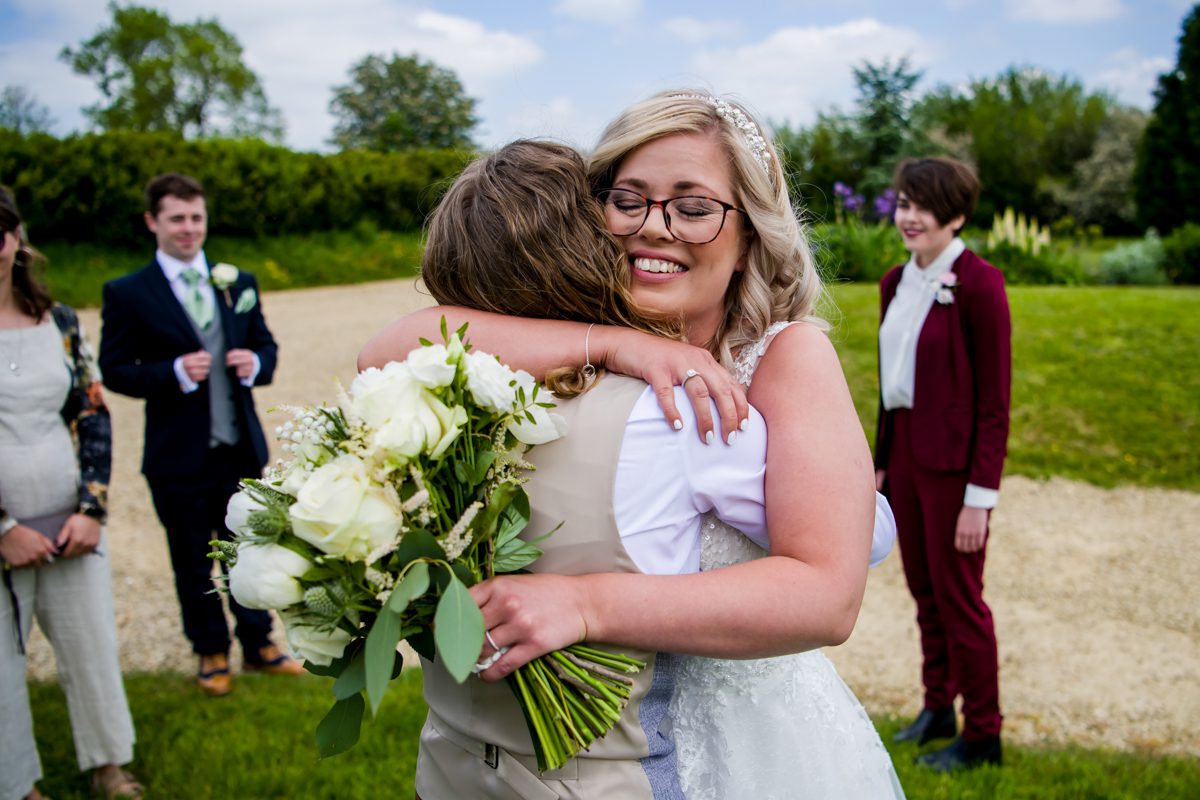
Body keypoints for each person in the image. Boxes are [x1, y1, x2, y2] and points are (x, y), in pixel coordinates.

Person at [362, 91, 903, 798]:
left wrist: (587, 604)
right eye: (629, 199)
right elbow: (389, 348)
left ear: (750, 233)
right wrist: (613, 343)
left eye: (694, 206)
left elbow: (829, 598)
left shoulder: (786, 357)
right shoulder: (579, 343)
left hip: (754, 735)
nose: (655, 228)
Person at [98, 173, 302, 697]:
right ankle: (210, 649)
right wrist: (171, 372)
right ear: (153, 222)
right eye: (177, 219)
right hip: (176, 455)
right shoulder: (127, 293)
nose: (189, 229)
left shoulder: (238, 282)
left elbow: (269, 348)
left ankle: (260, 644)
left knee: (251, 551)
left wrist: (254, 361)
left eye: (196, 218)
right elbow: (115, 368)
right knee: (192, 559)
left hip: (239, 448)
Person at [0, 188, 142, 800]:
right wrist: (3, 527)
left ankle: (108, 764)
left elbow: (92, 412)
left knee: (90, 646)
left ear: (16, 241)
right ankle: (16, 783)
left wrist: (91, 508)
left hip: (67, 519)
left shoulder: (57, 321)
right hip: (5, 528)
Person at [875, 156, 1011, 771]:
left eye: (923, 205)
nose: (910, 216)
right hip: (904, 455)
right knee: (923, 592)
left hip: (955, 471)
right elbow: (889, 384)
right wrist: (880, 465)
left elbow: (994, 403)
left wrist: (980, 497)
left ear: (956, 215)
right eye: (904, 202)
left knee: (961, 599)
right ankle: (937, 709)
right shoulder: (892, 281)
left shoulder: (980, 283)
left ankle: (983, 735)